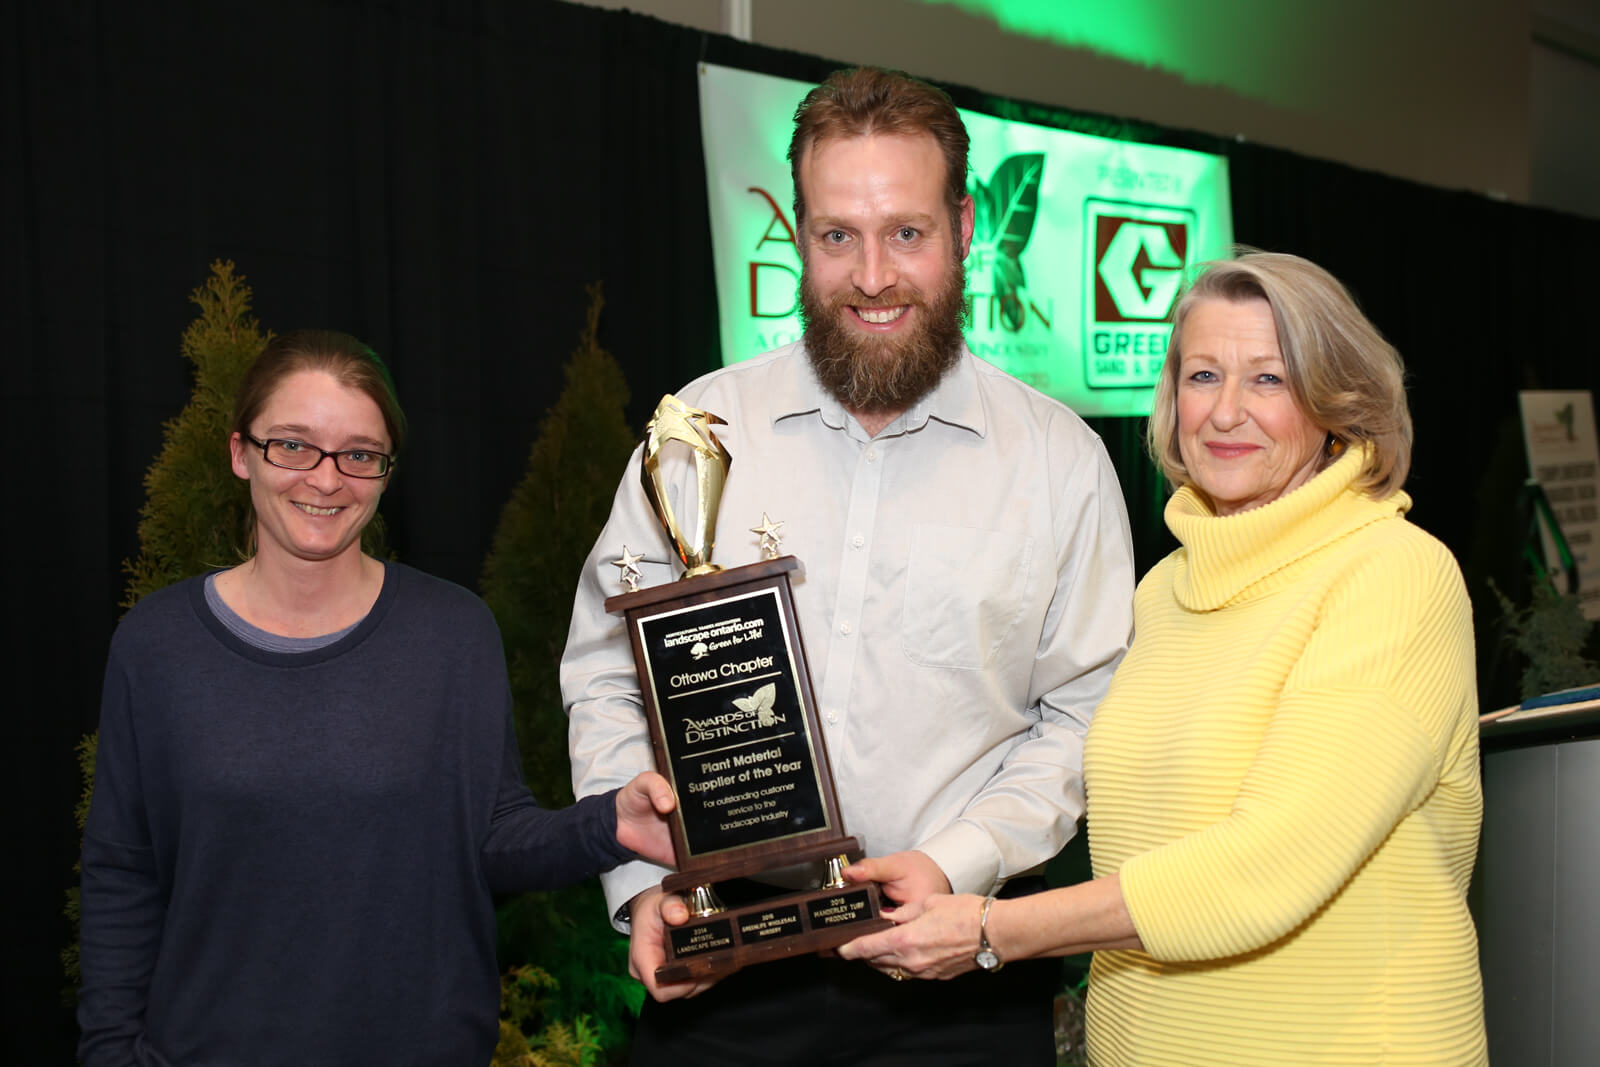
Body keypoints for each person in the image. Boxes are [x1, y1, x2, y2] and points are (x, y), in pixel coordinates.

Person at [562, 67, 1135, 1064]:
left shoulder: (1057, 461)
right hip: (723, 976)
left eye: (906, 233)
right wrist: (642, 879)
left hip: (955, 989)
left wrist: (958, 863)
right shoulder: (694, 430)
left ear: (962, 229)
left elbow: (1081, 712)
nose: (872, 275)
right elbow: (610, 674)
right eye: (837, 236)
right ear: (795, 233)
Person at [839, 250, 1488, 1065]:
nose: (1224, 413)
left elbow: (1268, 867)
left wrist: (991, 928)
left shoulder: (1394, 575)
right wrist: (945, 859)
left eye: (1269, 380)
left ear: (1337, 401)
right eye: (1204, 375)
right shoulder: (1163, 589)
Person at [77, 330, 678, 1066]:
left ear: (386, 470)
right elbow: (121, 870)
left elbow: (490, 841)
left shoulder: (453, 632)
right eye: (293, 445)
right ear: (241, 452)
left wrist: (609, 825)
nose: (326, 479)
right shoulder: (157, 644)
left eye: (359, 453)